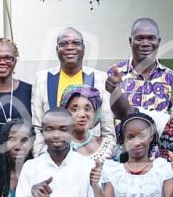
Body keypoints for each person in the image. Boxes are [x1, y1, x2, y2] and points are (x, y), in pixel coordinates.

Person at [32, 27, 114, 155]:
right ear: (56, 49)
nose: (70, 47)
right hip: (53, 159)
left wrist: (97, 159)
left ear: (83, 49)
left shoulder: (100, 78)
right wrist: (43, 160)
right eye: (64, 43)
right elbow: (37, 127)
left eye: (76, 43)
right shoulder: (42, 78)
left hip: (92, 160)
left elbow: (108, 132)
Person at [106, 18, 173, 113]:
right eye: (140, 38)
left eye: (151, 38)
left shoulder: (171, 78)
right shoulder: (113, 74)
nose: (145, 43)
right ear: (130, 41)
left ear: (158, 42)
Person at [61, 85, 117, 162]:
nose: (82, 114)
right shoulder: (55, 146)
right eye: (75, 109)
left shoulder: (108, 147)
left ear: (95, 113)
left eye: (87, 109)